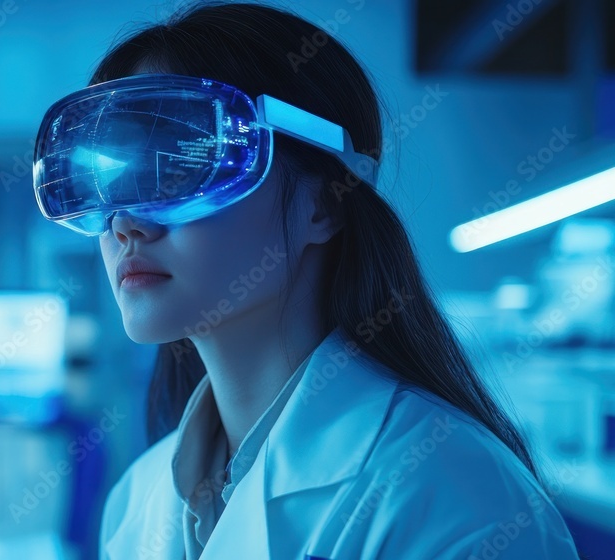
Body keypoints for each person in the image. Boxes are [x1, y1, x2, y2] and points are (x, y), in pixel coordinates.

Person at [31, 2, 581, 558]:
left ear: (324, 203)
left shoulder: (457, 499)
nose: (125, 225)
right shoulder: (136, 501)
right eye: (112, 186)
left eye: (180, 170)